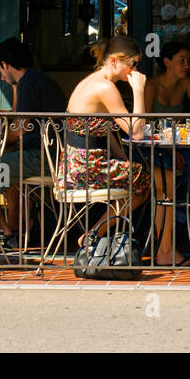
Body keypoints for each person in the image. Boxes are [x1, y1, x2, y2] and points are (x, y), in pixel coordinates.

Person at [0, 38, 67, 255]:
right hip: (47, 155)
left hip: (43, 158)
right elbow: (22, 116)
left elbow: (21, 128)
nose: (0, 73)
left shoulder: (29, 82)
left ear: (5, 64)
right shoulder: (32, 80)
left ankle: (0, 233)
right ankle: (3, 229)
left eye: (0, 68)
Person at [60, 36, 152, 244]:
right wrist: (138, 91)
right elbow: (136, 132)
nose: (134, 70)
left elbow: (102, 131)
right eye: (132, 64)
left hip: (73, 165)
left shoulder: (90, 81)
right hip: (86, 167)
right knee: (145, 181)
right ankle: (95, 233)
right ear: (114, 62)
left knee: (137, 172)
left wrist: (124, 159)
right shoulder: (105, 88)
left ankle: (97, 233)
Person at [144, 39, 190, 266]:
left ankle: (175, 229)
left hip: (177, 148)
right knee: (170, 180)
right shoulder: (152, 86)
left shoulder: (184, 83)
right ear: (167, 62)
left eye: (188, 61)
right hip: (153, 149)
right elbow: (144, 125)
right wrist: (170, 148)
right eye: (181, 60)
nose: (186, 65)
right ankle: (166, 244)